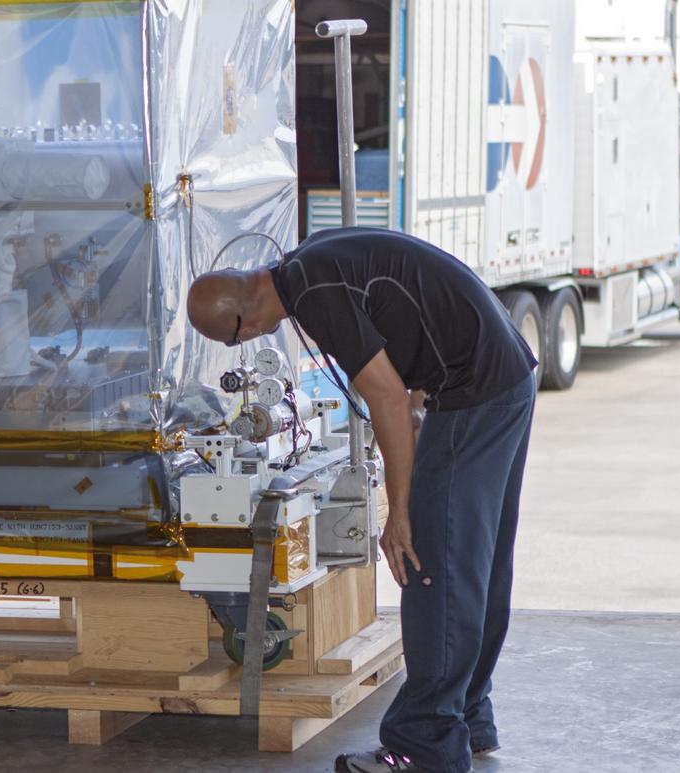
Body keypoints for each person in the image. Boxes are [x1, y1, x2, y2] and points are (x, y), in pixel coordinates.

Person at [186, 227, 537, 773]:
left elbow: (386, 399)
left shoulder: (315, 297)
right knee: (477, 563)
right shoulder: (310, 260)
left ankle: (424, 746)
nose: (246, 344)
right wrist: (419, 408)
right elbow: (412, 311)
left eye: (234, 341)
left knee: (431, 565)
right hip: (505, 373)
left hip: (474, 392)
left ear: (246, 322)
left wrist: (399, 513)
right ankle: (467, 717)